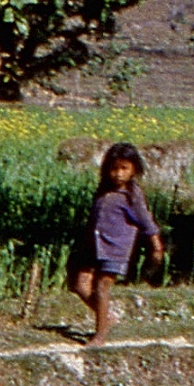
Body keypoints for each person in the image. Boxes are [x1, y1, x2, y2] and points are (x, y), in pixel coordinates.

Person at [69, 141, 166, 340]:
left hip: (115, 249)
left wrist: (156, 246)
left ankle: (100, 335)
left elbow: (146, 220)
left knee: (102, 288)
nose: (118, 174)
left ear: (133, 170)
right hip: (93, 246)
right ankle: (108, 318)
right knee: (80, 285)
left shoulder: (132, 195)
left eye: (124, 169)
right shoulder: (103, 191)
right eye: (114, 169)